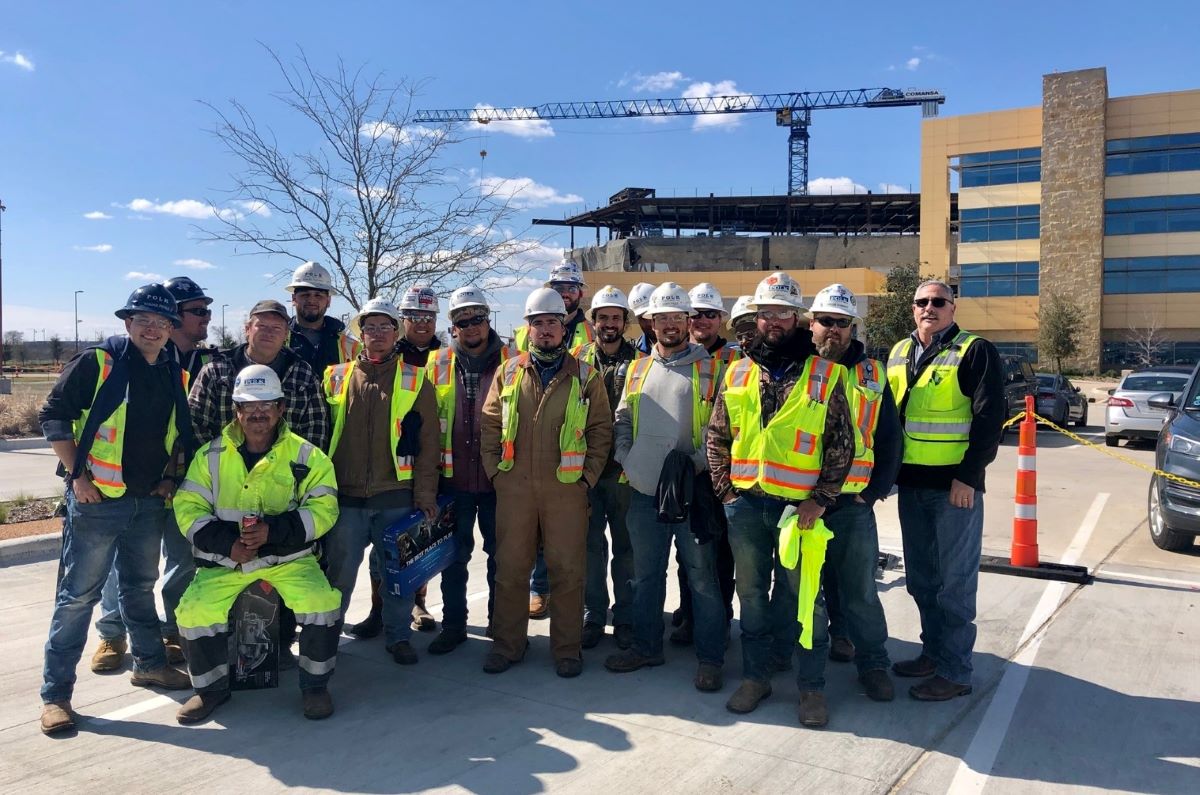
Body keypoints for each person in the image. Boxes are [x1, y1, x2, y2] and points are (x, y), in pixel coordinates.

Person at [37, 285, 194, 736]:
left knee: (139, 586)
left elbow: (176, 434)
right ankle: (55, 696)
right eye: (144, 318)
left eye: (161, 322)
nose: (152, 328)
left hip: (147, 501)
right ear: (128, 322)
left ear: (170, 329)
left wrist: (168, 479)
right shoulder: (98, 363)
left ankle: (149, 664)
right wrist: (77, 478)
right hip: (98, 502)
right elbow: (54, 415)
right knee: (77, 597)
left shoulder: (173, 372)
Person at [706, 271, 855, 727]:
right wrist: (726, 492)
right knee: (752, 597)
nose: (774, 320)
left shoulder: (826, 374)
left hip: (801, 512)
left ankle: (811, 690)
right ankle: (756, 678)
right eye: (766, 312)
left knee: (805, 599)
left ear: (798, 318)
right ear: (757, 317)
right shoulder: (736, 371)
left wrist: (821, 500)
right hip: (747, 506)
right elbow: (717, 436)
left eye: (783, 312)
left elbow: (841, 445)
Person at [172, 365, 342, 723]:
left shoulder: (308, 456)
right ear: (236, 410)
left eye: (267, 404)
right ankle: (210, 690)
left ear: (281, 408)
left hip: (290, 560)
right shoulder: (210, 456)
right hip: (226, 561)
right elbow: (187, 507)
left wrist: (274, 533)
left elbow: (325, 508)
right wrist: (226, 544)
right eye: (249, 406)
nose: (258, 413)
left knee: (322, 603)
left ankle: (315, 686)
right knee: (194, 611)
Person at [481, 287, 611, 678]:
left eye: (552, 322)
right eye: (538, 324)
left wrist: (585, 480)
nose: (545, 330)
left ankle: (567, 650)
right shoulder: (508, 371)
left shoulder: (586, 376)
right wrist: (495, 475)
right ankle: (508, 645)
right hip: (515, 489)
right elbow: (489, 424)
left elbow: (601, 431)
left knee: (568, 571)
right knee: (511, 570)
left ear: (564, 327)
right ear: (528, 329)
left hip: (566, 490)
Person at [189, 299, 328, 667]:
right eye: (261, 325)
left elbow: (317, 440)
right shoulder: (216, 370)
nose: (258, 412)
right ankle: (215, 678)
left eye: (277, 327)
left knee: (311, 597)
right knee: (199, 602)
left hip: (284, 511)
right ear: (246, 327)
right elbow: (195, 426)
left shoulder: (301, 376)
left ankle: (287, 657)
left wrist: (283, 524)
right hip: (224, 514)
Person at [604, 283, 727, 692]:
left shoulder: (710, 368)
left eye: (678, 317)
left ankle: (710, 659)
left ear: (688, 321)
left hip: (691, 493)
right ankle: (645, 647)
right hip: (643, 491)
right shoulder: (638, 369)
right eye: (663, 318)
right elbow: (622, 416)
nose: (671, 325)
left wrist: (693, 464)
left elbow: (722, 427)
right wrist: (625, 454)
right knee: (646, 575)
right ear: (650, 322)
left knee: (703, 579)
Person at [886, 279, 1005, 701]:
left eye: (939, 301)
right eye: (922, 302)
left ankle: (955, 671)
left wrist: (968, 478)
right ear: (912, 309)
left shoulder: (974, 351)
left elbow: (991, 420)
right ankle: (932, 654)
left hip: (954, 489)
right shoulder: (900, 352)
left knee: (954, 584)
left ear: (953, 309)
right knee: (921, 579)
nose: (929, 308)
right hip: (911, 486)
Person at [90, 275, 214, 673]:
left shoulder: (208, 361)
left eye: (207, 310)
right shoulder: (131, 360)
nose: (206, 318)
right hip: (134, 485)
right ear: (173, 316)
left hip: (183, 483)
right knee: (124, 566)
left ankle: (172, 630)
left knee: (182, 559)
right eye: (198, 311)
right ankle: (112, 633)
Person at [320, 298, 440, 666]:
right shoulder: (335, 376)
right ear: (360, 334)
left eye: (385, 327)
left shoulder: (416, 379)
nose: (377, 334)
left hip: (395, 496)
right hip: (346, 497)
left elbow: (429, 444)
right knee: (338, 574)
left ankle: (398, 637)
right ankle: (325, 640)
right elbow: (320, 436)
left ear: (397, 332)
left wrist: (424, 494)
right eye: (369, 327)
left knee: (397, 575)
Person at [806, 284, 902, 704]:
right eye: (826, 321)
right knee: (803, 590)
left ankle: (874, 664)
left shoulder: (873, 375)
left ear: (852, 328)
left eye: (841, 323)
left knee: (860, 589)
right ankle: (807, 666)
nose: (833, 330)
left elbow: (890, 439)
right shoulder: (797, 368)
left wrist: (876, 491)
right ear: (811, 324)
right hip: (802, 501)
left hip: (851, 503)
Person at [350, 285, 443, 638]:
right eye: (415, 317)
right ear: (403, 322)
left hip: (423, 472)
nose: (422, 323)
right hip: (379, 478)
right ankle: (379, 612)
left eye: (429, 317)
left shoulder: (446, 357)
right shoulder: (382, 356)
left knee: (415, 553)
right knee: (383, 557)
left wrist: (427, 486)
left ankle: (416, 606)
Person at [426, 286, 512, 654]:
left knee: (502, 557)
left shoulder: (514, 361)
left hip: (499, 480)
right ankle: (454, 625)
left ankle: (500, 622)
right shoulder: (437, 363)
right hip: (454, 480)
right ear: (453, 326)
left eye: (478, 318)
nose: (472, 326)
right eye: (464, 320)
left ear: (487, 320)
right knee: (454, 559)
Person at [522, 264, 596, 617]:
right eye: (558, 286)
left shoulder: (590, 329)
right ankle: (540, 590)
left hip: (575, 431)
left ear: (580, 292)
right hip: (537, 439)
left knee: (572, 540)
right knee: (537, 533)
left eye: (571, 287)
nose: (565, 292)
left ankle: (573, 601)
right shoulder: (533, 329)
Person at [669, 283, 738, 647]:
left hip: (721, 472)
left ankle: (720, 618)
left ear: (721, 319)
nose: (702, 320)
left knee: (720, 553)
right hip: (688, 472)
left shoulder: (736, 361)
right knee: (688, 552)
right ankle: (690, 614)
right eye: (695, 314)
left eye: (710, 314)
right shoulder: (681, 356)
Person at [574, 285, 641, 651]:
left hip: (623, 473)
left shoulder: (642, 362)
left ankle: (627, 617)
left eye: (617, 317)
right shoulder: (576, 360)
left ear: (625, 322)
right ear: (594, 321)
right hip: (584, 471)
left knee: (627, 550)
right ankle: (593, 615)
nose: (610, 323)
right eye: (604, 317)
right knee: (589, 548)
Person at [286, 261, 361, 380]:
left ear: (328, 301)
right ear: (294, 299)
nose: (311, 300)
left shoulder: (350, 348)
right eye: (305, 295)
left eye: (318, 295)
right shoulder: (279, 341)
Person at [514, 262, 595, 354]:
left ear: (581, 293)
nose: (565, 294)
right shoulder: (523, 334)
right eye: (559, 288)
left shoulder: (593, 332)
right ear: (550, 291)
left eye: (572, 289)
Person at [628, 282, 656, 355]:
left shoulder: (686, 345)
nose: (649, 323)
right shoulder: (634, 351)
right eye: (642, 318)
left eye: (651, 315)